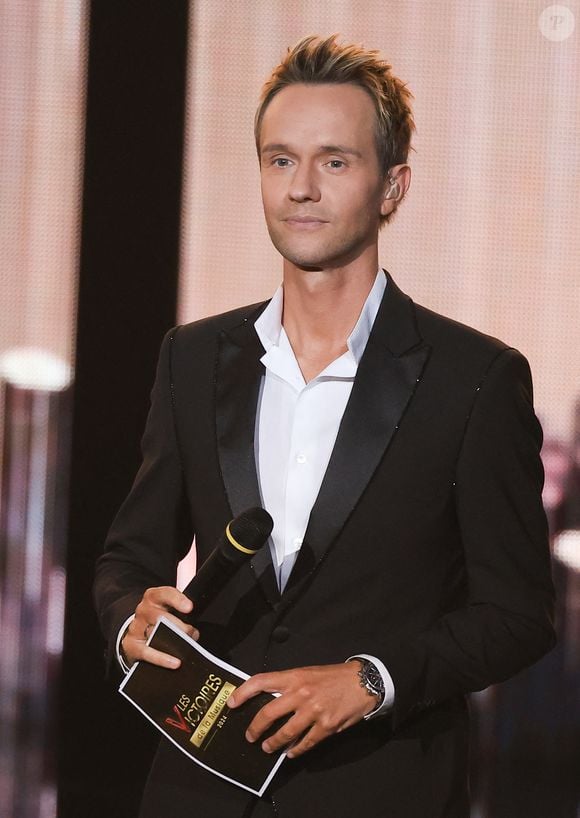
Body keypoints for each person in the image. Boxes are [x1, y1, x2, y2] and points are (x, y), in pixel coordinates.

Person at [94, 34, 556, 818]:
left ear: (392, 186)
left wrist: (372, 680)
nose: (301, 187)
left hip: (379, 788)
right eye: (280, 160)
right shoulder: (194, 357)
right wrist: (126, 616)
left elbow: (517, 615)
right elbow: (128, 558)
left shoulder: (474, 379)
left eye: (334, 162)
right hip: (196, 790)